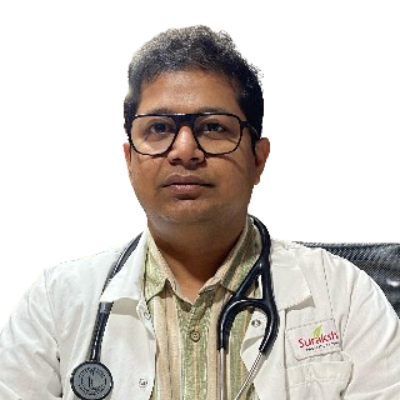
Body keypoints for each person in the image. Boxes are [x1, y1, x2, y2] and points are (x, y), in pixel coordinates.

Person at [1, 24, 399, 400]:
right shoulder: (53, 300)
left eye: (213, 127)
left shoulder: (346, 294)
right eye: (159, 128)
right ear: (129, 160)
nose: (185, 150)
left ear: (259, 160)